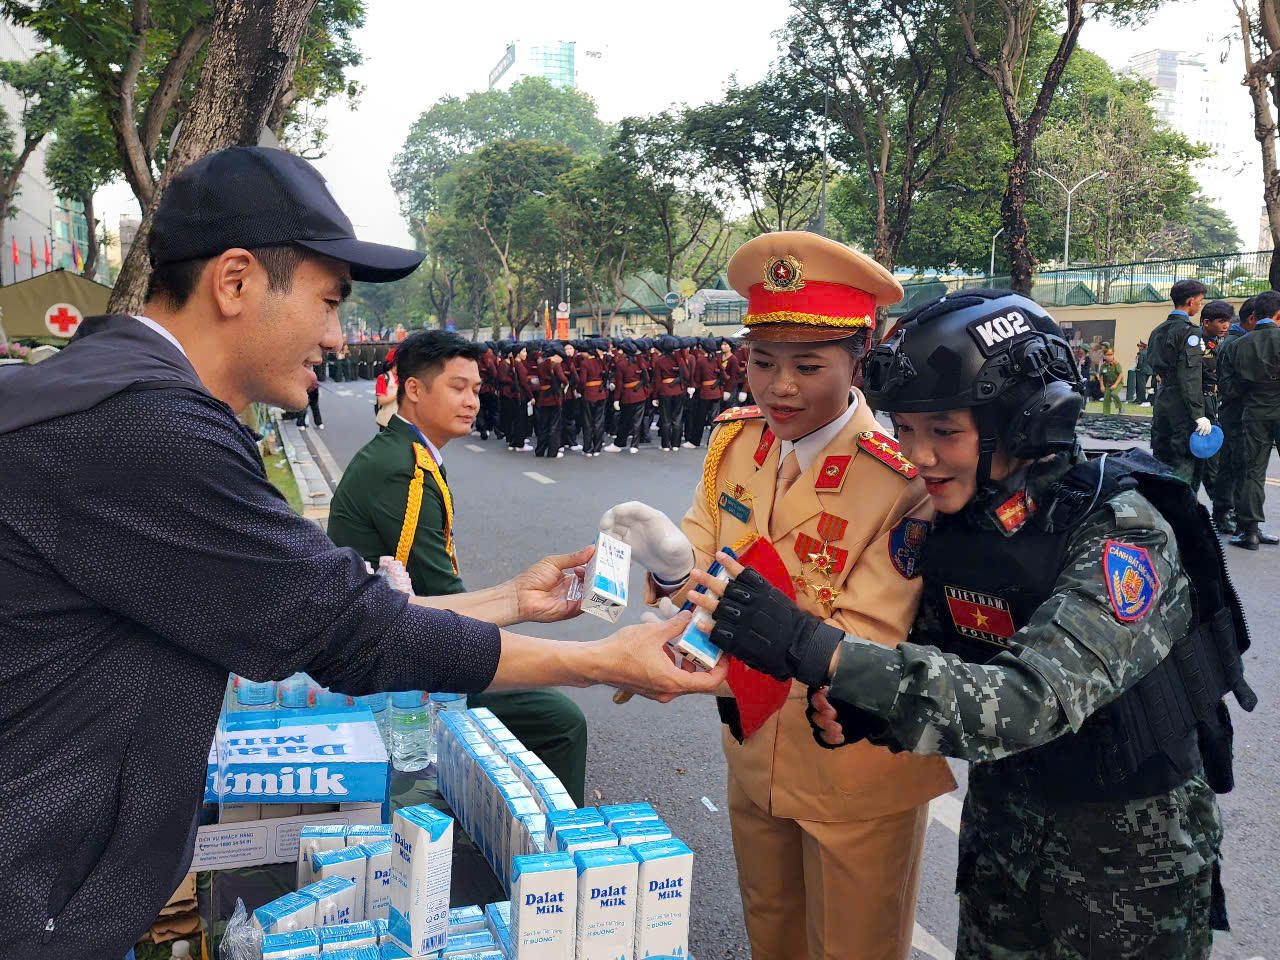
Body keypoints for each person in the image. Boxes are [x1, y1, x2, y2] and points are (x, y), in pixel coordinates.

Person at [0, 146, 723, 958]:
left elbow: (310, 605)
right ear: (234, 282)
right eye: (329, 301)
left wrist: (511, 601)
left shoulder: (112, 393)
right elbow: (347, 630)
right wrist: (598, 661)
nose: (338, 335)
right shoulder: (147, 427)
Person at [693, 289, 1253, 960]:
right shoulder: (967, 520)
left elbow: (1028, 699)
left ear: (1027, 424)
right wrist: (876, 713)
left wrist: (815, 646)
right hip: (1004, 838)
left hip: (1127, 862)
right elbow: (935, 658)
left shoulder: (1119, 531)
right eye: (906, 430)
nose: (918, 455)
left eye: (944, 432)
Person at [602, 232, 955, 960]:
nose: (779, 388)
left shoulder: (899, 479)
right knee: (771, 931)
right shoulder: (737, 443)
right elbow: (704, 559)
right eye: (762, 362)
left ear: (859, 358)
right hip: (753, 745)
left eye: (808, 366)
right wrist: (671, 567)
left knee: (853, 947)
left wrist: (684, 657)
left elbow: (865, 639)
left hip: (851, 761)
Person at [327, 330, 590, 803]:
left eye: (476, 389)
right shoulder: (403, 467)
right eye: (458, 387)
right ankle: (547, 842)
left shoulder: (409, 453)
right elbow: (441, 596)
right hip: (389, 661)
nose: (472, 401)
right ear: (413, 389)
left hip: (394, 629)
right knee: (560, 720)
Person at [1147, 278, 1212, 485]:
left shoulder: (1157, 330)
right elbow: (1189, 376)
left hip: (1162, 399)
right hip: (1181, 405)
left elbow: (1153, 364)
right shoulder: (1190, 332)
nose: (1200, 306)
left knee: (1161, 457)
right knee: (1184, 459)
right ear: (1191, 301)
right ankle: (1183, 504)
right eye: (1200, 301)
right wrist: (1198, 414)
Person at [1229, 288, 1280, 549]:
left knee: (1253, 472)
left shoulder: (1238, 344)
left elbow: (1229, 387)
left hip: (1254, 411)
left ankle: (1250, 531)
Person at [1213, 297, 1257, 534]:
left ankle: (1224, 513)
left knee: (1230, 464)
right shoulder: (1236, 343)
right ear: (1252, 318)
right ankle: (1232, 516)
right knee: (1238, 465)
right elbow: (1229, 385)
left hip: (1233, 410)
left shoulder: (1235, 340)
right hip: (1236, 411)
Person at [1198, 301, 1235, 529]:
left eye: (1227, 321)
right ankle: (1221, 514)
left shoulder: (1217, 342)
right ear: (1207, 322)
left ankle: (1221, 513)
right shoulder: (1198, 342)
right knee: (1209, 461)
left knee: (1213, 461)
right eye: (1221, 321)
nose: (1226, 326)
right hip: (1200, 404)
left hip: (1213, 402)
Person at [374, 349, 398, 429]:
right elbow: (381, 400)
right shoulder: (383, 378)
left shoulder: (405, 377)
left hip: (402, 423)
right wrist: (398, 394)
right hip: (387, 422)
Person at [1098, 342, 1124, 414]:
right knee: (1106, 399)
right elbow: (1100, 376)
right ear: (1104, 356)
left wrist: (1115, 385)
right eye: (1108, 355)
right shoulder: (1103, 366)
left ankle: (1120, 407)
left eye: (1111, 355)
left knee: (1114, 394)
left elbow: (1120, 375)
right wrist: (1102, 386)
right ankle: (1106, 414)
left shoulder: (1116, 364)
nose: (1110, 357)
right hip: (1108, 384)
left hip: (1118, 383)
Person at [1135, 339, 1153, 405]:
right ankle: (1139, 398)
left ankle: (1142, 399)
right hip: (1148, 371)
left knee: (1141, 386)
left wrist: (1138, 368)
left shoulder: (1141, 353)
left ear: (1143, 347)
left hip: (1142, 371)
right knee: (1142, 385)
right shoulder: (1149, 352)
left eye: (1140, 346)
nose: (1139, 348)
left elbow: (1140, 363)